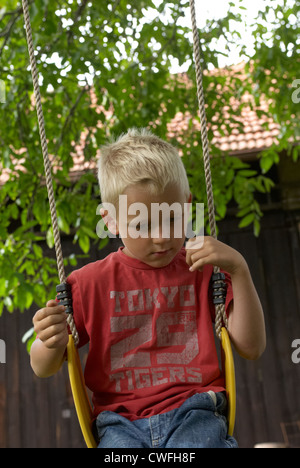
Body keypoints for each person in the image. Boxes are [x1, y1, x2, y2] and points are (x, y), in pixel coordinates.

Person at [30, 129, 266, 448]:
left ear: (187, 205)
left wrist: (239, 268)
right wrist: (48, 339)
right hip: (119, 423)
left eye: (172, 218)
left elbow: (251, 347)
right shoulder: (88, 284)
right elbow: (42, 367)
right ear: (111, 221)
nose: (161, 236)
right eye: (142, 224)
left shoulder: (204, 269)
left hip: (194, 411)